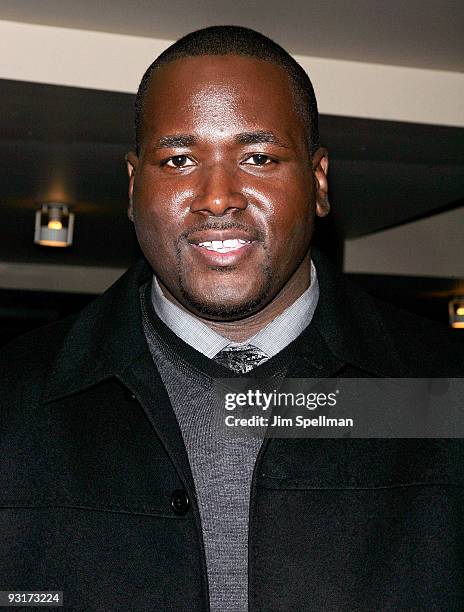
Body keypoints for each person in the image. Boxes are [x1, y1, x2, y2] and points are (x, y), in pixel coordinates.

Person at [1, 25, 463, 612]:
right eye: (179, 159)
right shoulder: (15, 400)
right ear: (134, 184)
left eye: (259, 157)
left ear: (318, 182)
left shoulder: (444, 394)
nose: (217, 196)